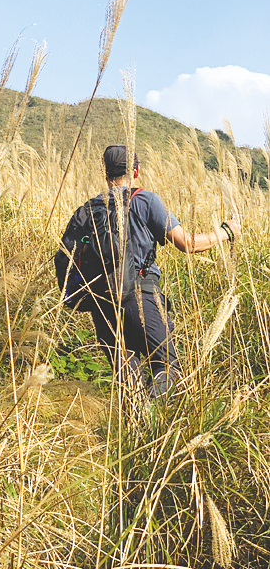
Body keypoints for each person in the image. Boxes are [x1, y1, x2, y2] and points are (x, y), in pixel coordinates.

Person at [87, 144, 241, 399]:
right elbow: (187, 244)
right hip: (140, 297)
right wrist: (225, 232)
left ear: (106, 174)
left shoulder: (92, 208)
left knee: (129, 380)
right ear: (135, 171)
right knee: (168, 367)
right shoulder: (145, 200)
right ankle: (149, 417)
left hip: (102, 304)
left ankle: (135, 434)